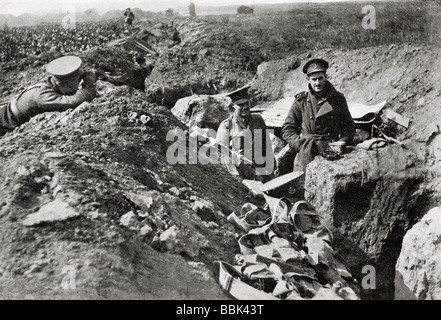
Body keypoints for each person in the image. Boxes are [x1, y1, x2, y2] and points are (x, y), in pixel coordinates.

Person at [281, 58, 356, 173]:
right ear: (308, 79)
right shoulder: (301, 101)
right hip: (307, 152)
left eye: (320, 78)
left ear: (326, 77)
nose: (317, 83)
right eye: (314, 79)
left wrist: (342, 142)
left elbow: (349, 127)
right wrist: (300, 145)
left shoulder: (338, 99)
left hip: (332, 151)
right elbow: (288, 129)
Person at [0, 55, 97, 136]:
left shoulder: (53, 81)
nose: (80, 82)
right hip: (5, 122)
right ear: (67, 83)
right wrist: (88, 89)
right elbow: (70, 102)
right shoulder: (42, 96)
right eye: (79, 80)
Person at [217, 98, 275, 182]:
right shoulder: (226, 125)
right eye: (241, 105)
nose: (245, 107)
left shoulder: (258, 120)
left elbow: (267, 145)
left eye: (246, 104)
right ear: (233, 106)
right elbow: (223, 153)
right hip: (242, 172)